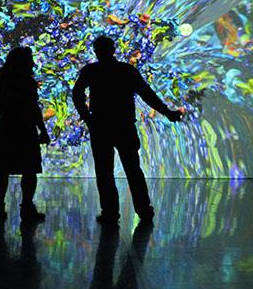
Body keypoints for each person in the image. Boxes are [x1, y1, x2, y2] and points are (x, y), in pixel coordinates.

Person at [72, 36, 182, 224]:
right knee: (133, 169)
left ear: (96, 51)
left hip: (100, 126)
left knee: (104, 171)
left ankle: (110, 212)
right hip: (124, 126)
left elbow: (77, 93)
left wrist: (87, 117)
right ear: (113, 50)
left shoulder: (91, 71)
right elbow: (147, 94)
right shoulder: (126, 70)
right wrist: (167, 113)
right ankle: (144, 210)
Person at [0, 47, 50, 220]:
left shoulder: (0, 81)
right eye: (30, 60)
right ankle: (27, 208)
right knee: (29, 170)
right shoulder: (27, 82)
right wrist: (42, 130)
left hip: (5, 127)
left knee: (1, 171)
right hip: (25, 128)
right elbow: (34, 108)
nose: (33, 63)